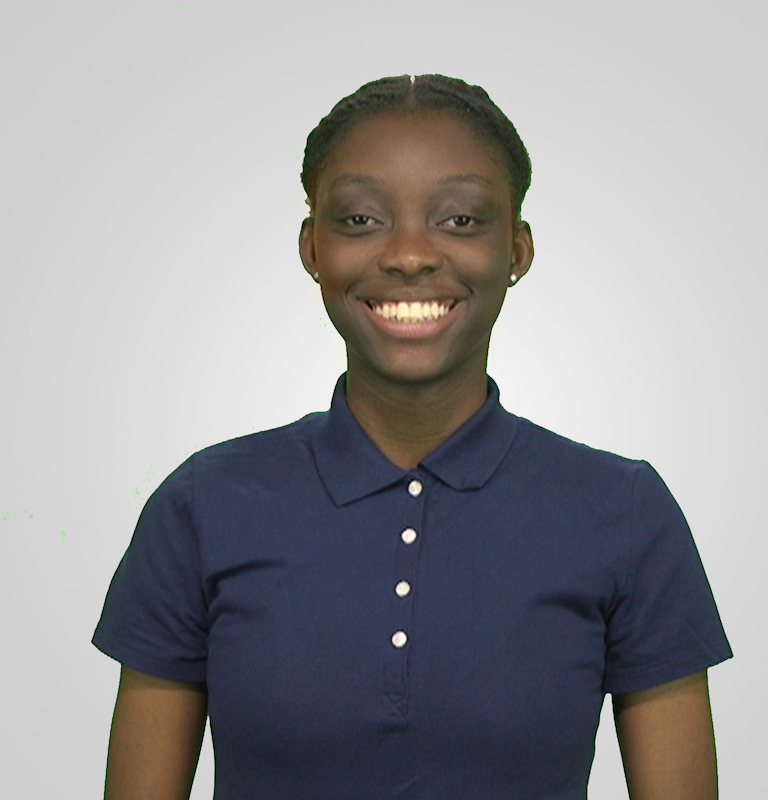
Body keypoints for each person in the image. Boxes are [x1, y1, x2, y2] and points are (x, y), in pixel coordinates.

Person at [93, 74, 732, 799]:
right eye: (361, 219)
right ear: (310, 249)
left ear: (517, 250)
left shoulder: (625, 512)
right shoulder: (203, 505)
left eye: (459, 219)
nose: (407, 254)